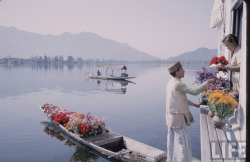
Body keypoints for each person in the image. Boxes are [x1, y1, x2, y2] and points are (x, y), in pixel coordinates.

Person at [166, 61, 215, 162]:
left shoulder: (170, 82)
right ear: (177, 72)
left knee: (175, 143)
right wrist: (207, 82)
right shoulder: (177, 84)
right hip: (177, 118)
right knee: (181, 145)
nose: (184, 71)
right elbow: (194, 91)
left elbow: (180, 99)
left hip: (172, 118)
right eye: (182, 69)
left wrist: (194, 105)